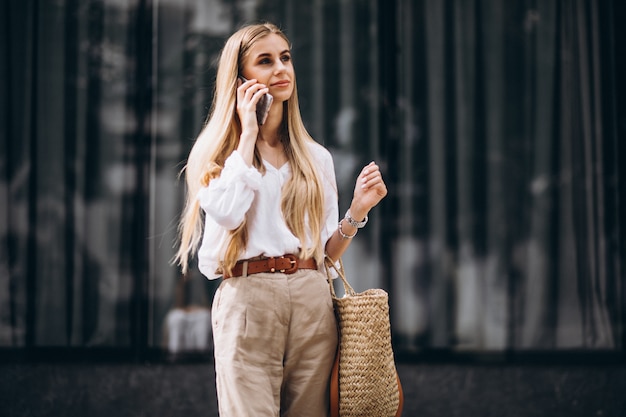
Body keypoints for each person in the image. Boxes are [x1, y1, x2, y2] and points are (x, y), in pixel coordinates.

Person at [175, 22, 387, 417]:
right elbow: (226, 211)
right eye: (266, 61)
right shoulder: (218, 155)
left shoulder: (315, 157)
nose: (281, 69)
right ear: (241, 80)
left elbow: (325, 253)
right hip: (248, 298)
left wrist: (358, 210)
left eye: (285, 58)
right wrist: (249, 131)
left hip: (311, 297)